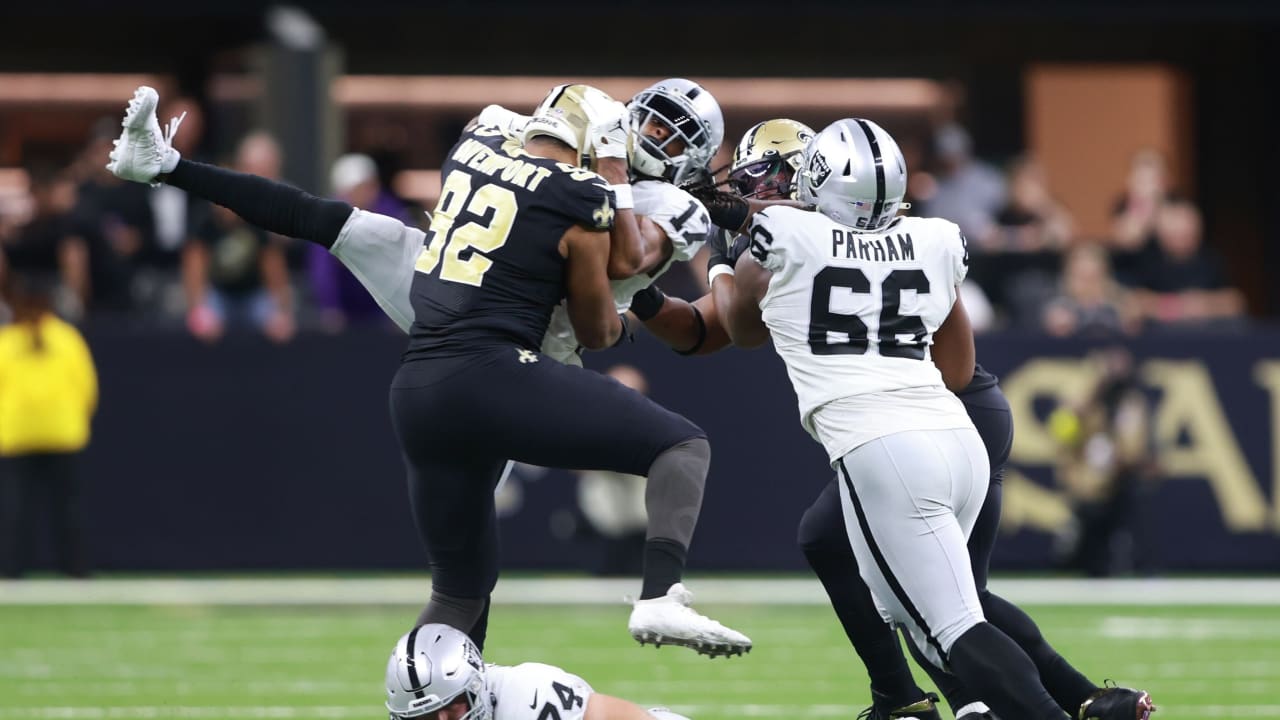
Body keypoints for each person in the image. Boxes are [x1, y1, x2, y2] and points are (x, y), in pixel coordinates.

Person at [105, 84, 749, 657]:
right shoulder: (560, 157)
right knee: (331, 219)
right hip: (483, 317)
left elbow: (624, 260)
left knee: (464, 586)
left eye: (673, 135)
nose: (655, 137)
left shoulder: (654, 197)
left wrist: (602, 177)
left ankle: (166, 165)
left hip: (502, 329)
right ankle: (166, 164)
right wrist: (587, 179)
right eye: (653, 121)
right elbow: (596, 293)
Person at [630, 118, 1156, 720]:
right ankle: (917, 700)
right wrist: (644, 292)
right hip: (948, 424)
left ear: (815, 179)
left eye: (775, 177)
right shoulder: (926, 236)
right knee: (883, 572)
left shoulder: (782, 243)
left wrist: (722, 255)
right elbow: (707, 330)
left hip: (900, 435)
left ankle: (987, 706)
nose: (762, 193)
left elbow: (738, 323)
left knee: (951, 616)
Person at [0, 276, 98, 578]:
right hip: (62, 432)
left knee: (14, 508)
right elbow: (87, 387)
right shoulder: (67, 338)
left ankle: (10, 569)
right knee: (67, 507)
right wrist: (75, 417)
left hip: (16, 434)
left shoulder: (8, 341)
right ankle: (75, 569)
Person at [386, 624, 692, 720]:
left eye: (451, 709)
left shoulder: (530, 696)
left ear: (476, 686)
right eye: (425, 719)